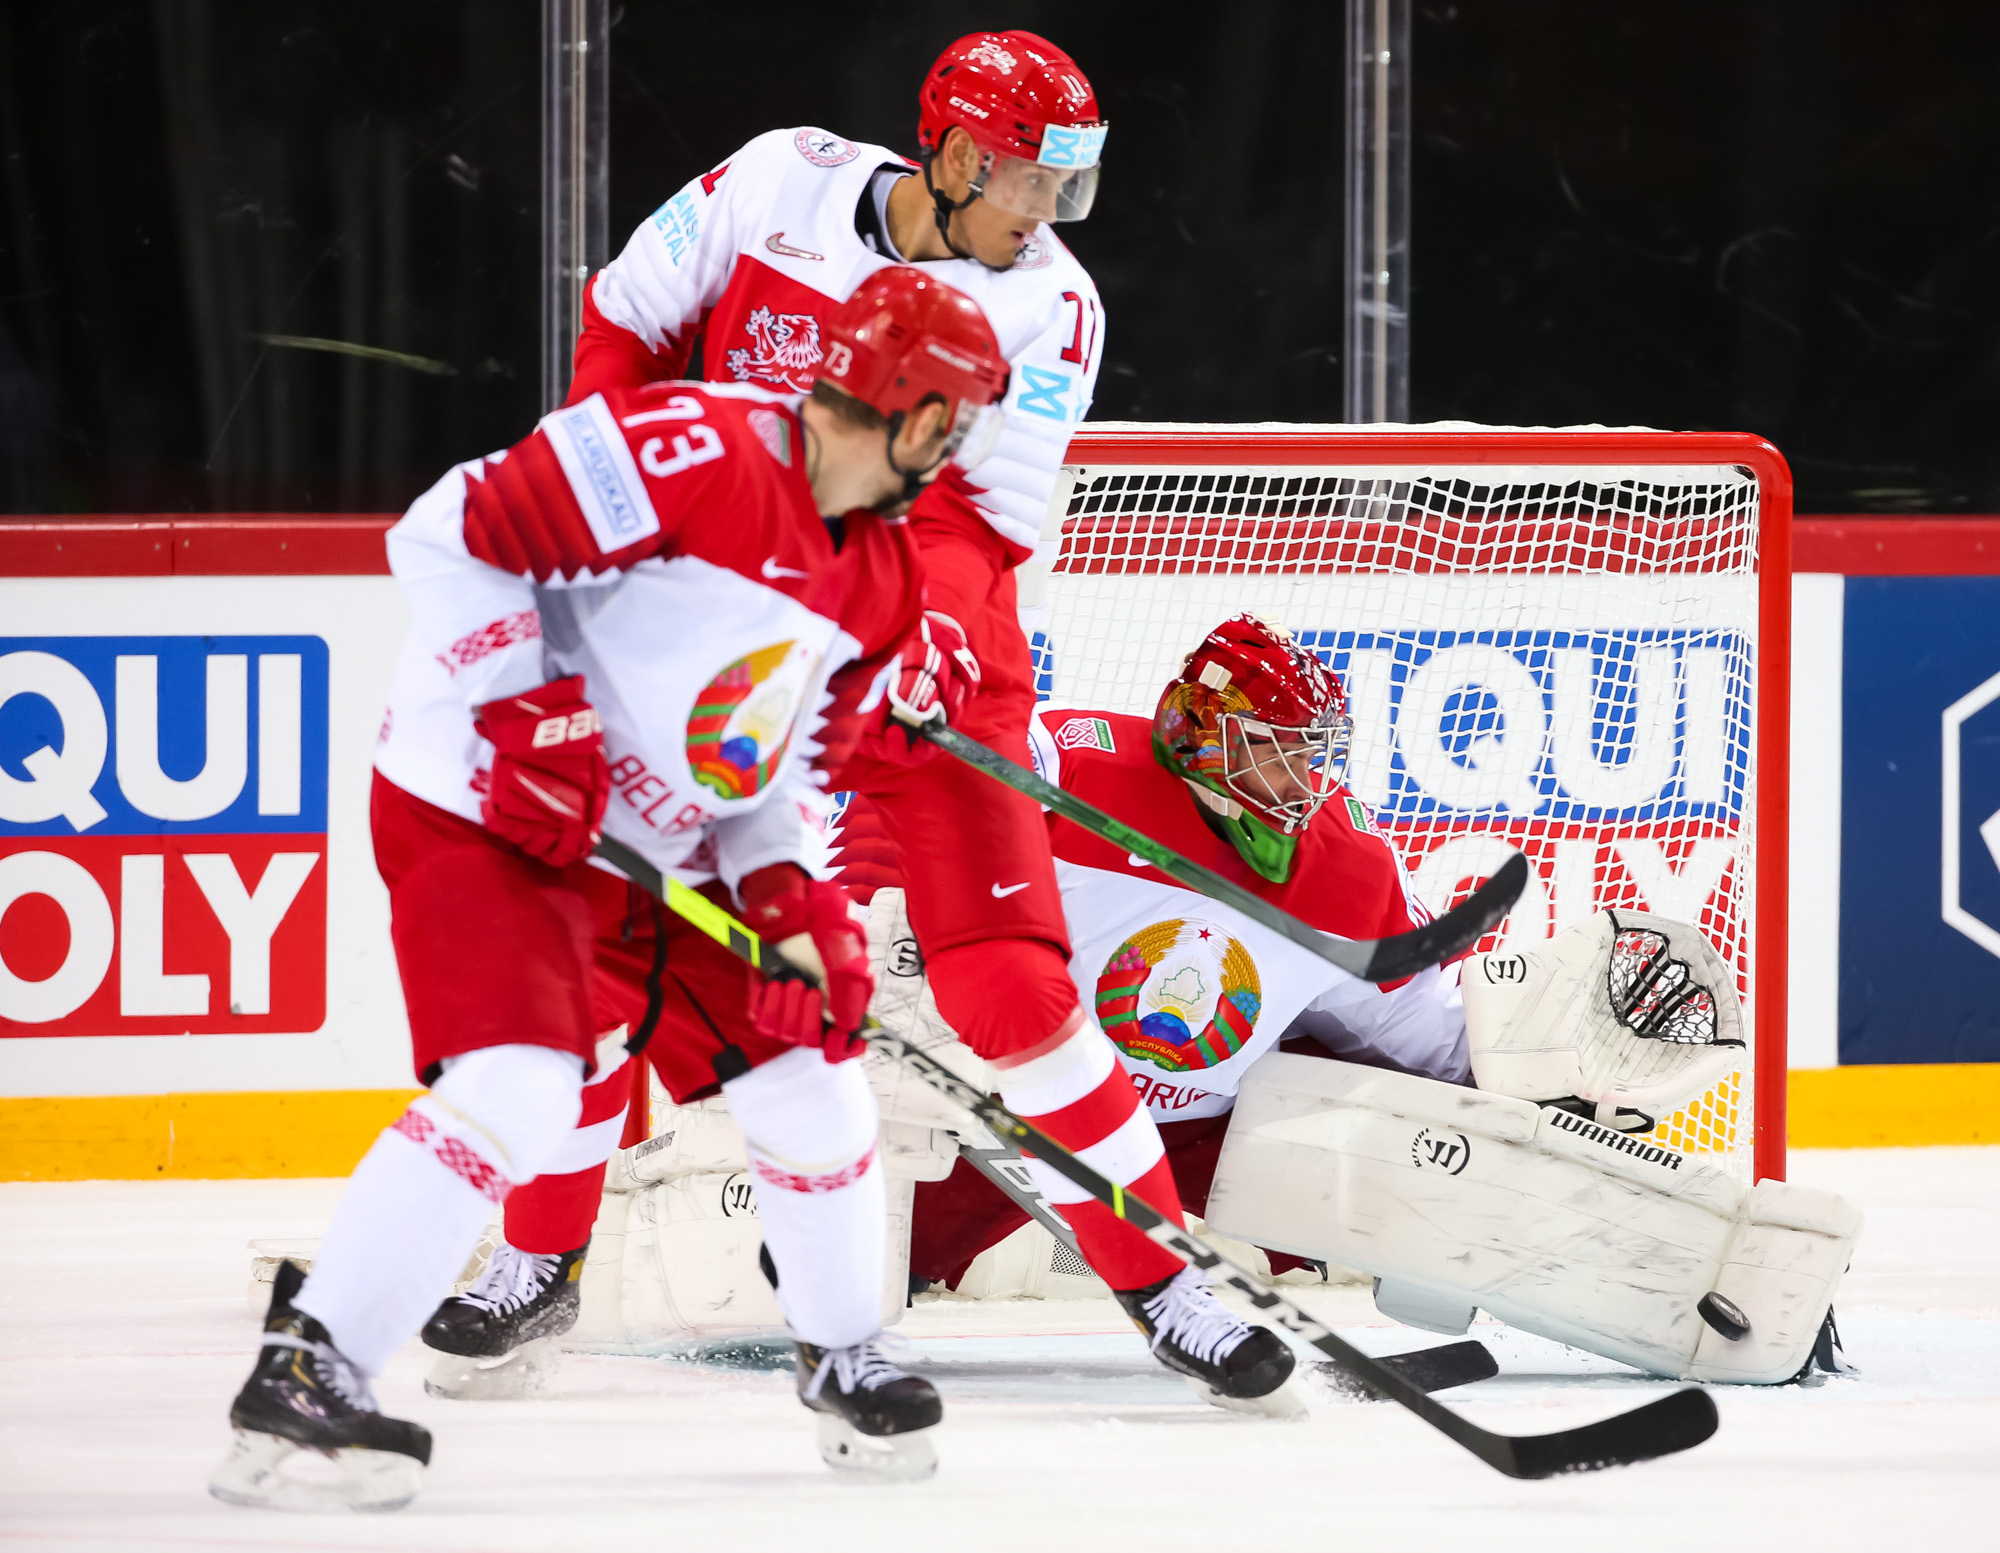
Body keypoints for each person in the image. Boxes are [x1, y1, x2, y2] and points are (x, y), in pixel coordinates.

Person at [445, 30, 1294, 1413]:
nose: (1046, 221)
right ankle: (539, 1254)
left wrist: (932, 631)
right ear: (952, 155)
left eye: (1070, 192)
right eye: (1031, 183)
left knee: (1009, 984)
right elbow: (622, 325)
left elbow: (978, 522)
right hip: (713, 622)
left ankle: (1167, 1281)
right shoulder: (777, 182)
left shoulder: (1051, 310)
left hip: (924, 630)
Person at [209, 266, 1010, 1512]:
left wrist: (795, 902)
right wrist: (530, 707)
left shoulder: (883, 580)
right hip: (481, 804)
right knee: (523, 1082)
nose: (959, 451)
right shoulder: (686, 444)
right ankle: (311, 1367)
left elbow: (765, 776)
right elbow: (444, 534)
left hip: (657, 840)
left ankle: (845, 1352)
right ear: (915, 411)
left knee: (812, 1079)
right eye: (954, 421)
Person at [847, 614, 1858, 1389]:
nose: (1302, 771)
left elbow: (1427, 1043)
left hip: (1208, 1129)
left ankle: (1691, 1281)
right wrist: (867, 918)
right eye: (1274, 746)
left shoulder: (1344, 868)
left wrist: (1548, 1069)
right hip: (1005, 1091)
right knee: (862, 1262)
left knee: (1449, 1173)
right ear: (1196, 733)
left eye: (1310, 746)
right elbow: (910, 799)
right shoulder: (1064, 760)